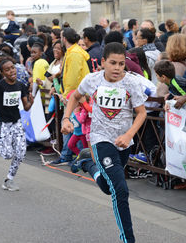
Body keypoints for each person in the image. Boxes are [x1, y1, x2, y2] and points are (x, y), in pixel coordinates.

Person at [61, 42, 146, 243]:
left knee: (110, 188)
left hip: (123, 141)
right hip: (100, 140)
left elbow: (141, 113)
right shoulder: (92, 80)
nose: (117, 68)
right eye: (112, 63)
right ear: (102, 63)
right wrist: (66, 118)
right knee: (121, 190)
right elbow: (75, 96)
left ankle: (86, 163)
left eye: (121, 63)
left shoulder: (132, 83)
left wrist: (128, 135)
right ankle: (128, 239)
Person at [0, 58, 34, 191]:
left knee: (21, 153)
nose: (11, 71)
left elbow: (26, 107)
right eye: (7, 69)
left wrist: (31, 102)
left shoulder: (20, 86)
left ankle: (9, 179)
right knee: (7, 154)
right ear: (2, 72)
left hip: (16, 123)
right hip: (3, 124)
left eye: (12, 68)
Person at [51, 28, 90, 165]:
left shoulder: (74, 54)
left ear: (64, 39)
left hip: (75, 96)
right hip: (74, 94)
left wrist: (67, 96)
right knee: (75, 128)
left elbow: (73, 78)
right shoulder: (73, 52)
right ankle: (75, 156)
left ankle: (71, 156)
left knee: (71, 126)